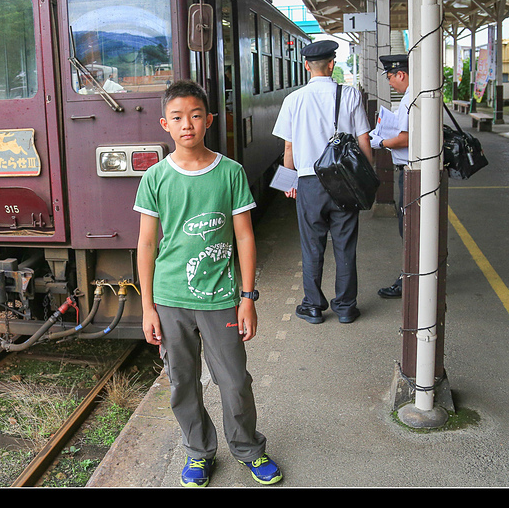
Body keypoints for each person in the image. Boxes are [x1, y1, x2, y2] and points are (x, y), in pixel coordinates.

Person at [135, 79, 282, 488]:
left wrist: (247, 297)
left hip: (221, 299)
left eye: (196, 116)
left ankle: (248, 448)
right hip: (169, 298)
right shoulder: (156, 178)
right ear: (165, 124)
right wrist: (147, 306)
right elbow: (147, 244)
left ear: (209, 120)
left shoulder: (230, 172)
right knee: (182, 382)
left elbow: (245, 237)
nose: (188, 125)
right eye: (178, 118)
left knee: (235, 380)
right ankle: (198, 453)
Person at [272, 40, 373, 325]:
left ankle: (313, 306)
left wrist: (286, 183)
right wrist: (368, 176)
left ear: (306, 66)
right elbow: (363, 139)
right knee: (345, 245)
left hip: (308, 182)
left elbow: (288, 148)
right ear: (332, 64)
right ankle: (345, 307)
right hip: (344, 181)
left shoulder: (293, 99)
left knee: (312, 246)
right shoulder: (350, 94)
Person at [373, 54, 410, 299]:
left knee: (408, 228)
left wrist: (381, 142)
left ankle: (409, 278)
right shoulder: (415, 97)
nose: (389, 82)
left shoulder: (410, 101)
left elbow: (405, 138)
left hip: (411, 172)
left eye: (390, 77)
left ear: (401, 74)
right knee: (409, 227)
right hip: (410, 171)